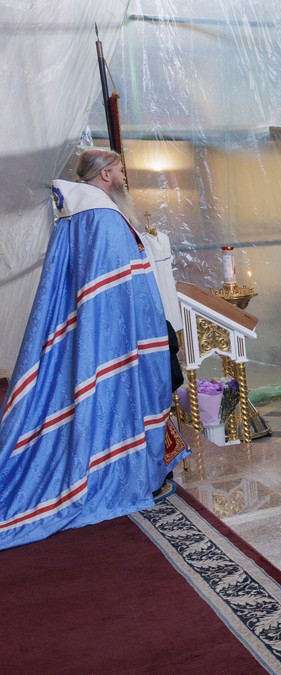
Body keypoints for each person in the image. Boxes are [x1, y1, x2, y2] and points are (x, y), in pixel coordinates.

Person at [0, 148, 186, 551]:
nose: (123, 176)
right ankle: (120, 473)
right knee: (118, 400)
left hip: (95, 333)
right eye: (119, 169)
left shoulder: (78, 212)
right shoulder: (102, 216)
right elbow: (117, 289)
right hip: (116, 340)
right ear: (104, 175)